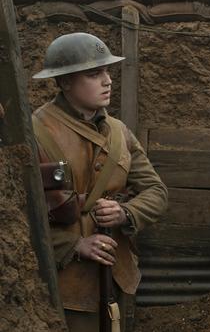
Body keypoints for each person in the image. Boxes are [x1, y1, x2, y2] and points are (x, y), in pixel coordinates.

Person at [32, 32, 168, 332]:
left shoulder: (119, 133)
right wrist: (74, 244)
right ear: (65, 81)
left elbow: (156, 192)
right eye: (95, 74)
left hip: (117, 274)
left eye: (108, 71)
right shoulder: (35, 134)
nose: (107, 80)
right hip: (64, 285)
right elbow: (15, 216)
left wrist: (126, 213)